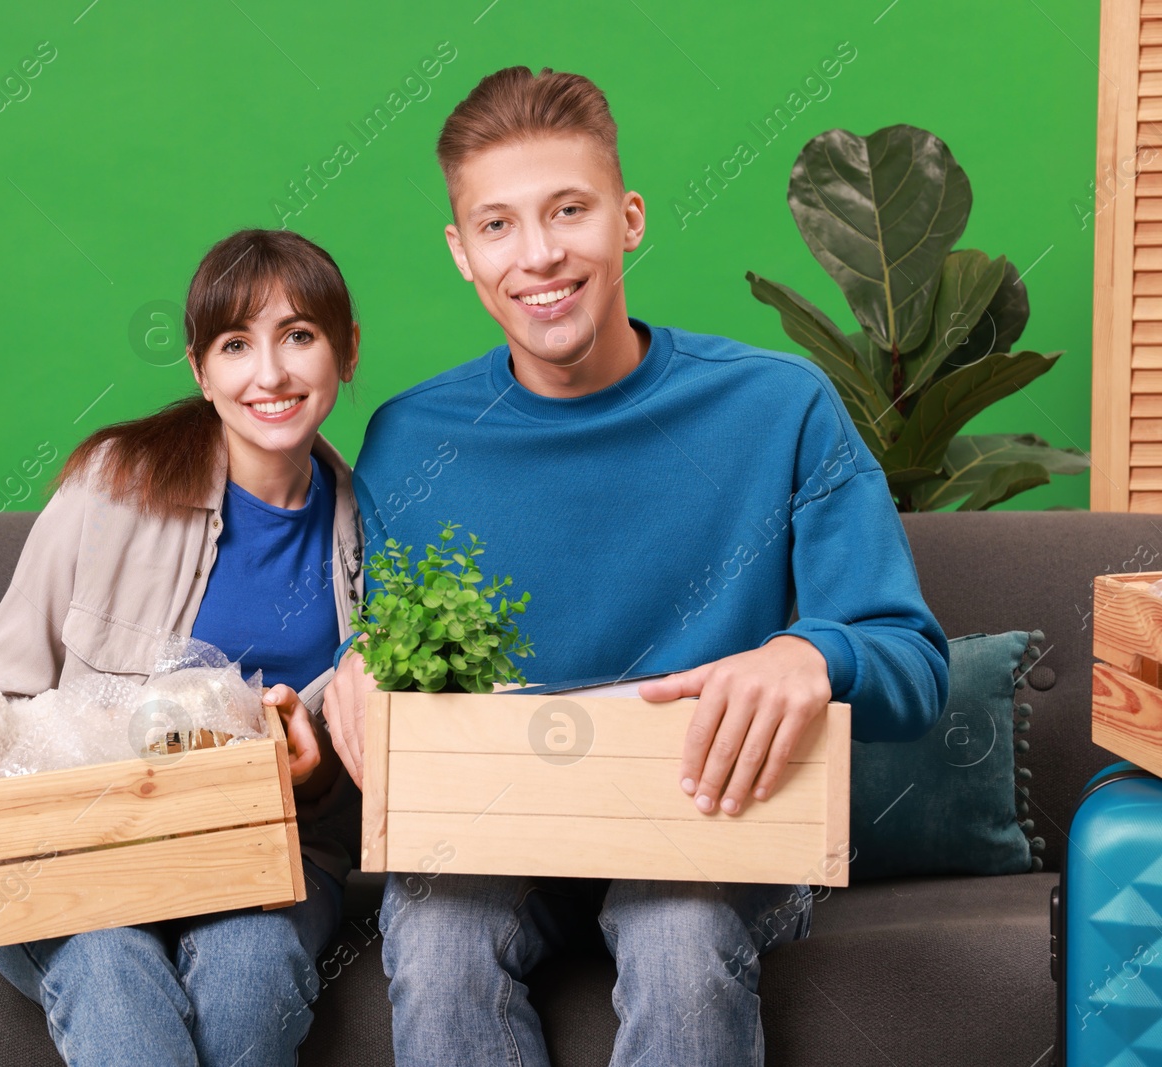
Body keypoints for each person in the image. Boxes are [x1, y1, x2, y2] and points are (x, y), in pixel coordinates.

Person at [323, 67, 950, 1066]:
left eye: (568, 210)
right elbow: (395, 652)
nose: (538, 254)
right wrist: (362, 665)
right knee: (435, 934)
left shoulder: (779, 406)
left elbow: (912, 665)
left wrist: (811, 653)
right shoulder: (412, 437)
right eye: (497, 225)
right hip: (494, 832)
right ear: (461, 253)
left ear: (628, 218)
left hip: (713, 824)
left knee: (677, 931)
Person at [0, 228, 366, 1067]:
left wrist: (309, 763)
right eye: (236, 344)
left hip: (271, 847)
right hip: (78, 834)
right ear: (201, 370)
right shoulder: (115, 482)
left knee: (251, 974)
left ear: (346, 352)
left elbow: (369, 754)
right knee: (109, 968)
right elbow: (2, 673)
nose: (270, 374)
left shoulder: (374, 528)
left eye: (300, 336)